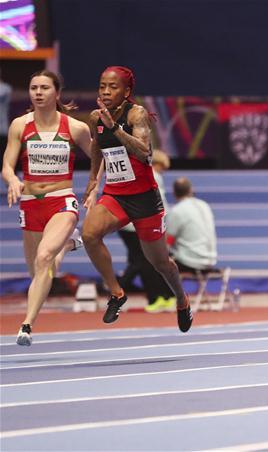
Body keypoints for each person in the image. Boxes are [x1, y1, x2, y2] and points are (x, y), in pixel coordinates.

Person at [81, 66, 193, 332]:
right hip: (116, 195)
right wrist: (93, 182)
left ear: (127, 91)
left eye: (113, 87)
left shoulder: (136, 114)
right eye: (102, 87)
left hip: (145, 201)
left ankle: (181, 299)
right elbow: (98, 146)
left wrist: (115, 129)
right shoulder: (96, 116)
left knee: (161, 264)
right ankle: (117, 292)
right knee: (89, 235)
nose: (106, 92)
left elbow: (145, 153)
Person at [2, 70, 92, 345]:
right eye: (33, 88)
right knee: (40, 272)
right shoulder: (20, 125)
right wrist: (12, 180)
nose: (38, 93)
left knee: (43, 259)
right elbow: (7, 164)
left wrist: (94, 187)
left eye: (44, 88)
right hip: (30, 204)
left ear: (57, 92)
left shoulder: (75, 128)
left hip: (61, 201)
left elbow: (99, 158)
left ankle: (26, 326)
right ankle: (67, 245)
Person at [116, 151, 176, 313]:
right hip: (138, 224)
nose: (163, 170)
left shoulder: (138, 171)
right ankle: (154, 297)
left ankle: (118, 292)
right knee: (144, 262)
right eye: (162, 167)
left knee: (138, 261)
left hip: (129, 223)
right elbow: (159, 202)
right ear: (157, 164)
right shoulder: (153, 175)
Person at [166, 177, 217, 273]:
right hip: (211, 259)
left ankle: (159, 288)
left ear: (174, 193)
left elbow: (168, 241)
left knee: (158, 260)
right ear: (191, 190)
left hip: (189, 261)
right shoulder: (205, 205)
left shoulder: (177, 210)